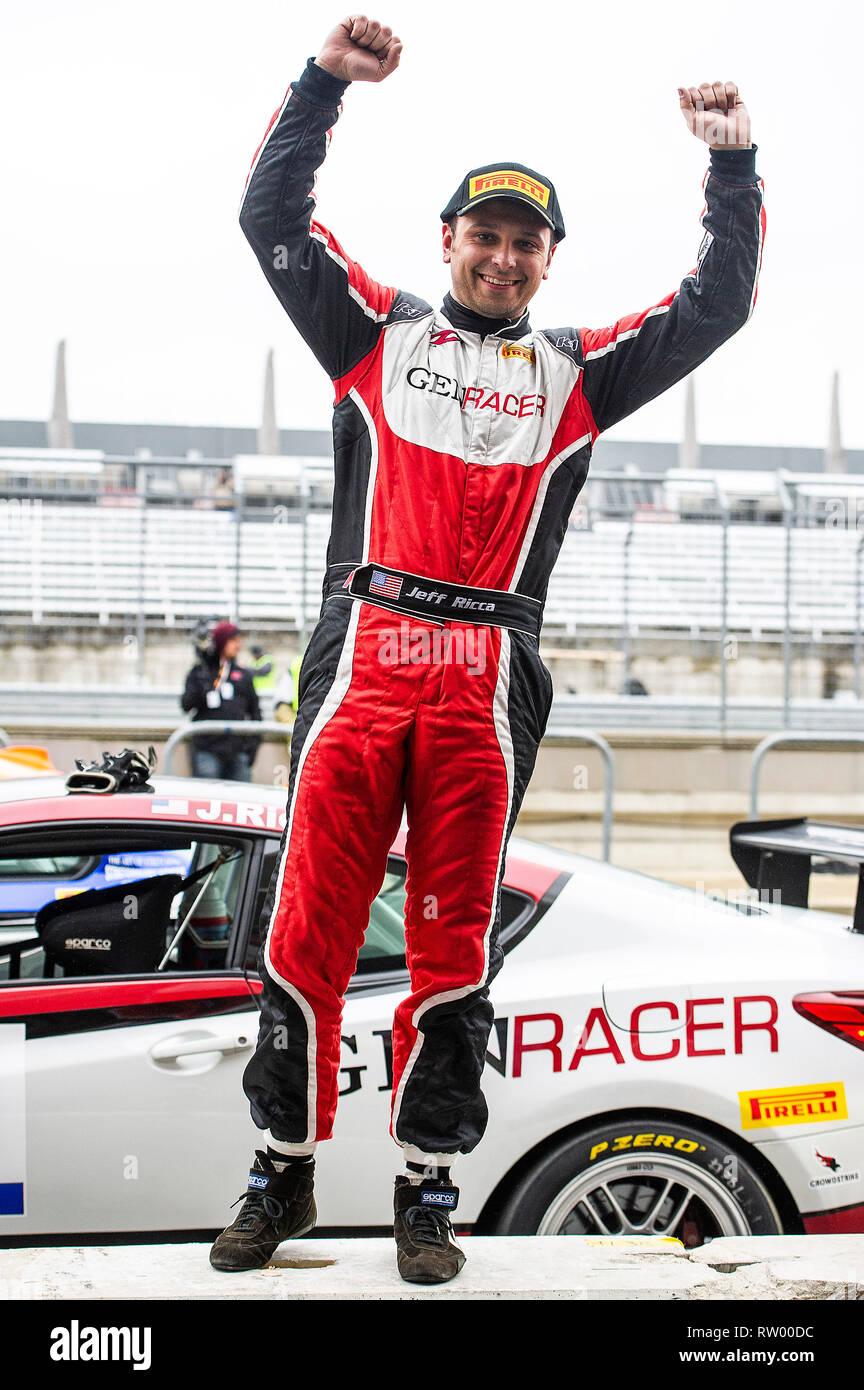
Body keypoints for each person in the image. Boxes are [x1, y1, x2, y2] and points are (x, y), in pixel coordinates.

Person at [210, 15, 764, 1283]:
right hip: (365, 650)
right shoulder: (372, 330)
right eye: (487, 232)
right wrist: (323, 83)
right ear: (449, 240)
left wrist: (731, 165)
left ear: (549, 259)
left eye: (528, 240)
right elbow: (270, 215)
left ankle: (428, 1191)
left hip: (488, 677)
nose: (505, 255)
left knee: (457, 942)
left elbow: (718, 301)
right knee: (311, 927)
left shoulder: (576, 372)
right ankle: (279, 1174)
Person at [180, 621, 262, 781]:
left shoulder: (243, 675)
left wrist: (252, 748)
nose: (238, 646)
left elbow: (255, 712)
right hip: (207, 749)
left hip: (238, 752)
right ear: (222, 641)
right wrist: (203, 686)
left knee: (241, 798)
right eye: (233, 641)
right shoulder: (200, 671)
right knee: (209, 798)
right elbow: (186, 704)